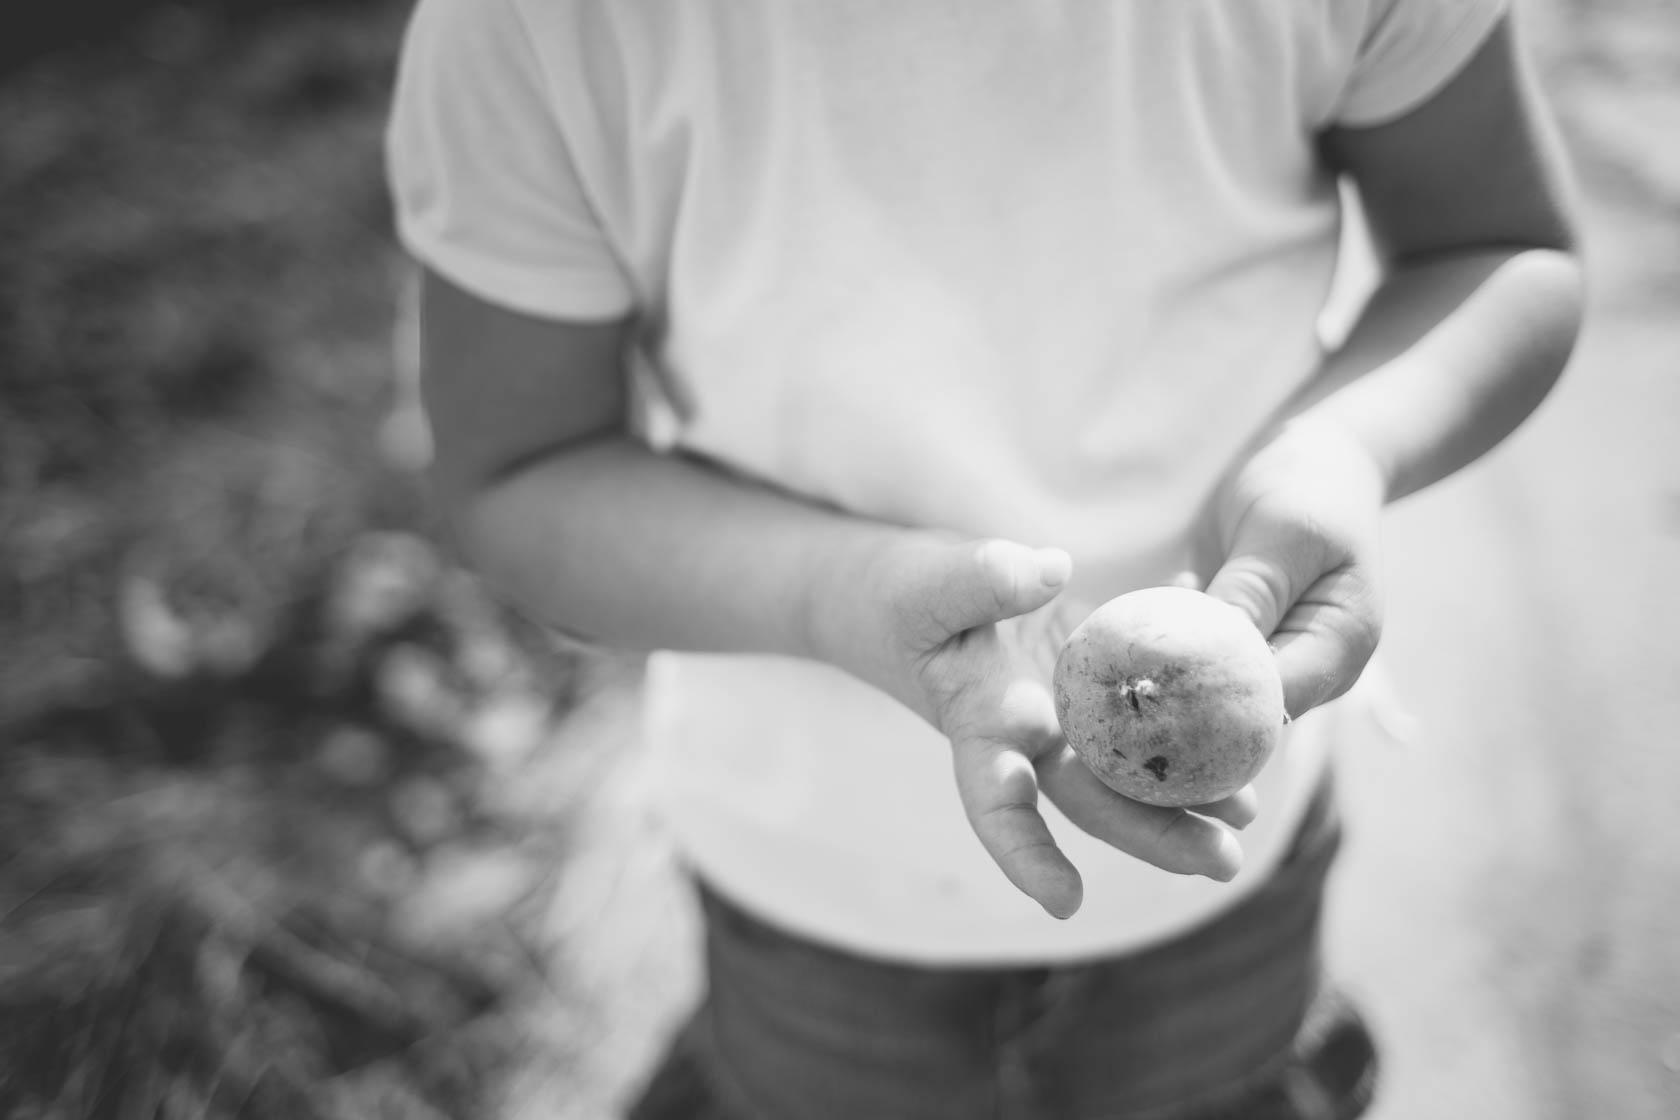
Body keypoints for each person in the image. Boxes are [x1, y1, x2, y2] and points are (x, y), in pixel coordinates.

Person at [384, 1, 1583, 1116]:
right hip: (812, 894)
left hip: (1226, 885)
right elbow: (519, 474)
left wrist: (1338, 453)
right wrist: (833, 594)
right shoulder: (538, 28)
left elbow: (1499, 246)